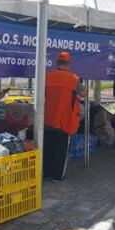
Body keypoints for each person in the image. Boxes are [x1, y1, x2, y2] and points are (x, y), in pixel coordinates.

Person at [44, 52, 84, 181]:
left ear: (57, 63)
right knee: (61, 150)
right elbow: (84, 94)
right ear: (69, 64)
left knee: (48, 148)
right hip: (64, 120)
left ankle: (46, 172)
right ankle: (57, 176)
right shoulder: (73, 79)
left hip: (48, 119)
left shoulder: (47, 77)